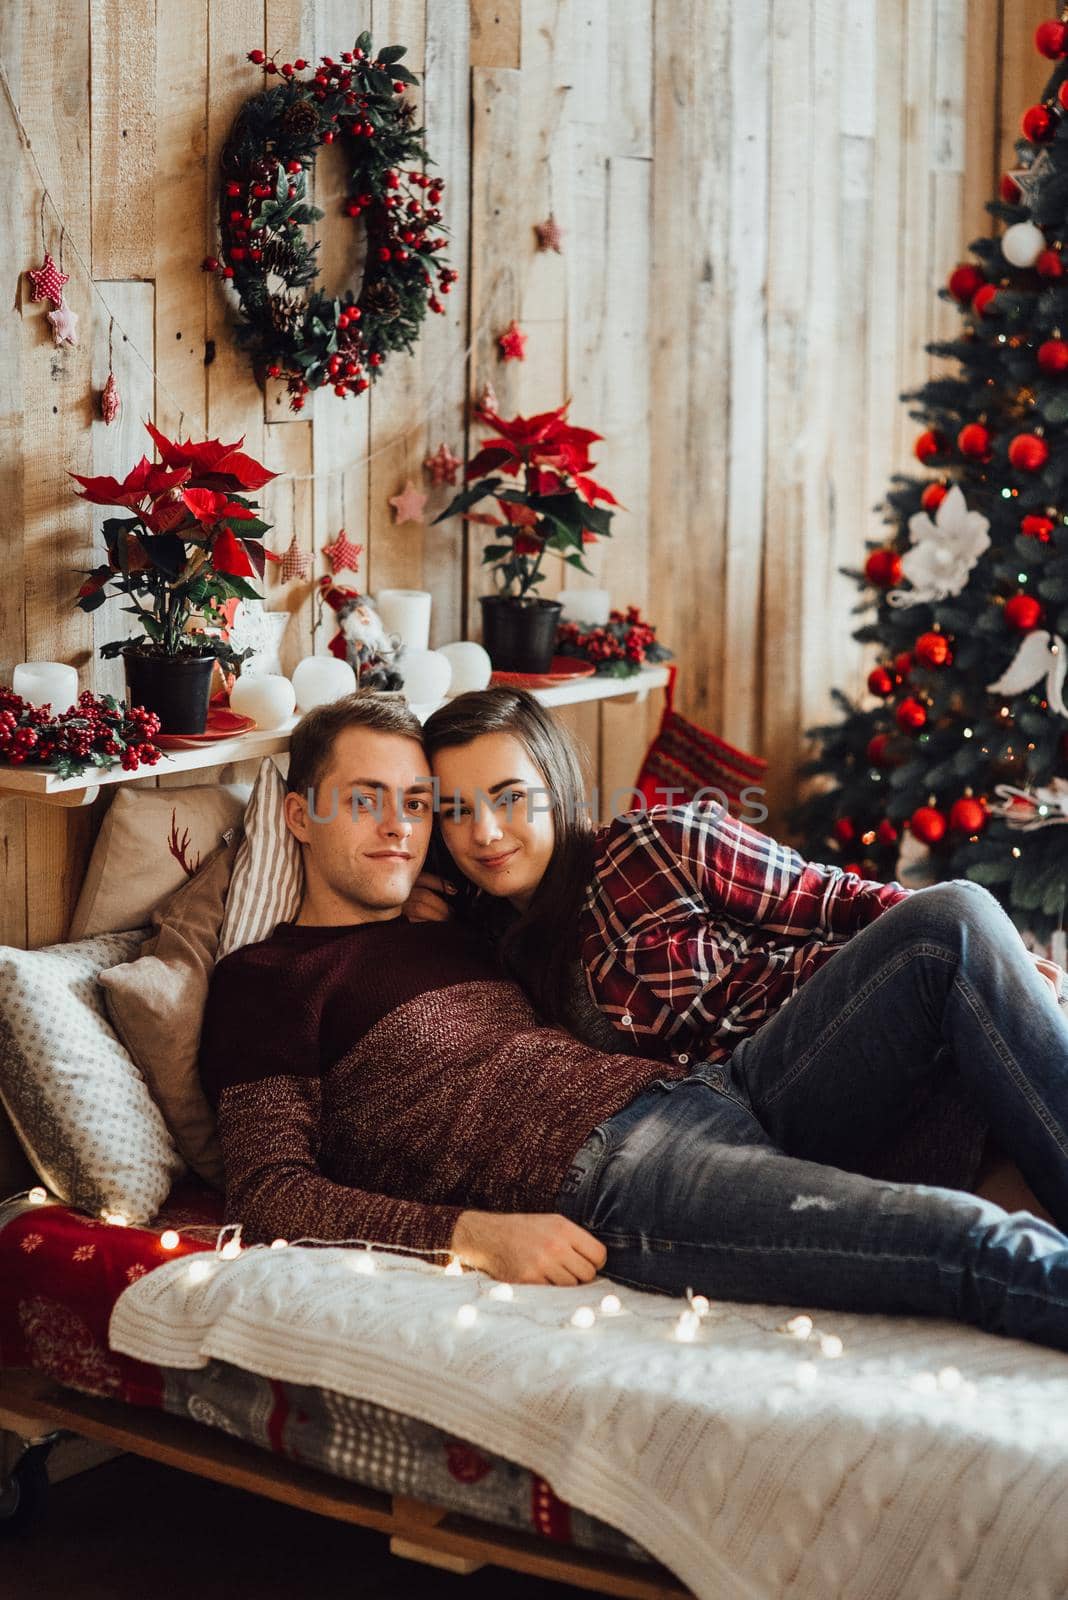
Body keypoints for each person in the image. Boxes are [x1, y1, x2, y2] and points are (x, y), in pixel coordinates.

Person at [199, 692, 1068, 1356]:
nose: (401, 828)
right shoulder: (266, 980)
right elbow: (268, 1190)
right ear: (295, 815)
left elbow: (832, 898)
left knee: (953, 915)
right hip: (620, 1176)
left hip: (717, 1090)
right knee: (966, 1243)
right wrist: (468, 1235)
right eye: (364, 801)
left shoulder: (490, 911)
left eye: (418, 804)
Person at [421, 687, 1068, 1227]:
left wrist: (990, 955)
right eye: (457, 810)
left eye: (509, 797)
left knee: (952, 919)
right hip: (721, 1128)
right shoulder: (481, 947)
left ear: (555, 787)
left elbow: (835, 898)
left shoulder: (657, 843)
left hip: (808, 1056)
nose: (486, 831)